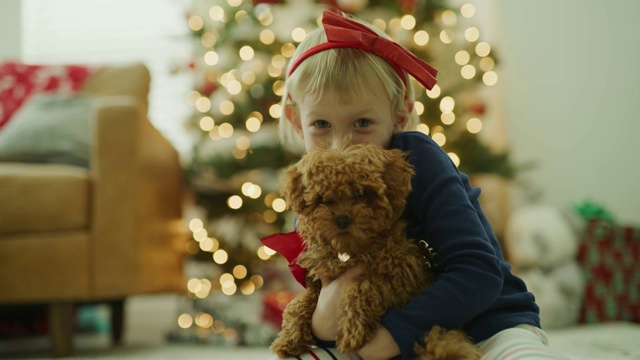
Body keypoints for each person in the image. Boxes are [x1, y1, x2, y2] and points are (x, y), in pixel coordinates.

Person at [273, 10, 567, 360]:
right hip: (384, 335)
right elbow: (325, 292)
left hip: (487, 323)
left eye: (363, 122)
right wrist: (322, 324)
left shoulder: (418, 160)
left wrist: (395, 334)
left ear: (399, 115)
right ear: (296, 120)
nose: (342, 145)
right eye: (321, 124)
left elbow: (480, 271)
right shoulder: (313, 191)